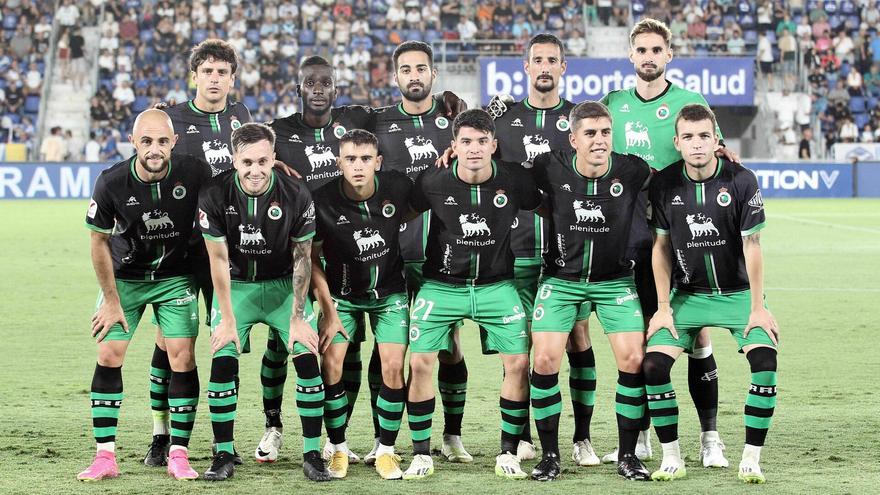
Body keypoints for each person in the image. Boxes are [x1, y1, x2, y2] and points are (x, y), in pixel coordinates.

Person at [600, 17, 739, 466]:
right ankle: (638, 438)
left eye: (656, 50)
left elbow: (711, 148)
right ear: (631, 55)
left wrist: (725, 153)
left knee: (696, 337)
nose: (648, 57)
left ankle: (710, 438)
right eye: (641, 50)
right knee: (643, 340)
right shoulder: (614, 103)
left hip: (681, 233)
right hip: (629, 237)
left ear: (668, 55)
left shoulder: (688, 101)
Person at [402, 109, 541, 480]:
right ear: (454, 147)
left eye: (482, 141)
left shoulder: (515, 181)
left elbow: (551, 205)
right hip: (441, 287)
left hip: (498, 287)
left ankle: (509, 452)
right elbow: (401, 214)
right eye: (466, 142)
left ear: (494, 145)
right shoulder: (433, 180)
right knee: (419, 364)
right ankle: (421, 454)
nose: (474, 149)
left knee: (517, 364)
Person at [645, 104, 779, 483]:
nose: (696, 144)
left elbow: (753, 245)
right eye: (688, 137)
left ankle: (751, 459)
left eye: (704, 136)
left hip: (738, 295)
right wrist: (663, 308)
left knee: (765, 364)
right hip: (688, 296)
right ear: (677, 142)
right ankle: (671, 456)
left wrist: (757, 308)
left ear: (716, 140)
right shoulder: (664, 183)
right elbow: (661, 249)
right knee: (653, 367)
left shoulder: (741, 179)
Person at [79, 109, 211, 481]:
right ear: (133, 141)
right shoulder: (111, 181)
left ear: (174, 142)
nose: (155, 149)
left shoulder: (195, 173)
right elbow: (98, 242)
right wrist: (111, 299)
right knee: (109, 351)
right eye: (147, 141)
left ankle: (179, 454)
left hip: (176, 277)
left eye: (162, 141)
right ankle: (105, 456)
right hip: (126, 279)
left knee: (182, 356)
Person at [527, 101, 652, 481]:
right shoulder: (550, 166)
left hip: (615, 282)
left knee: (632, 360)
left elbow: (680, 176)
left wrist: (724, 159)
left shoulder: (633, 169)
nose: (600, 141)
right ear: (574, 138)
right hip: (561, 281)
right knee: (545, 360)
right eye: (591, 134)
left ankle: (628, 456)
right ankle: (550, 455)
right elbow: (501, 174)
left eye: (605, 133)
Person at [198, 122, 329, 481]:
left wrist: (300, 316)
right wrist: (225, 318)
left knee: (306, 354)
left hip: (283, 286)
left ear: (274, 159)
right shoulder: (214, 192)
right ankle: (223, 453)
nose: (255, 170)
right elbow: (218, 260)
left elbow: (303, 258)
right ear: (233, 160)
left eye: (262, 161)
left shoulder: (296, 192)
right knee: (223, 357)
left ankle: (311, 454)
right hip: (236, 288)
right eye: (247, 163)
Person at [146, 39, 253, 469]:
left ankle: (223, 442)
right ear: (195, 75)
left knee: (227, 338)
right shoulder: (171, 117)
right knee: (172, 342)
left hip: (229, 245)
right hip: (182, 249)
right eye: (207, 71)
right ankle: (161, 434)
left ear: (232, 77)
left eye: (222, 72)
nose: (214, 79)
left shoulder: (241, 116)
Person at [372, 40, 472, 465]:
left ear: (434, 74)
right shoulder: (377, 122)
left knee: (448, 346)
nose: (414, 76)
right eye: (406, 70)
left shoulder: (455, 119)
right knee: (387, 350)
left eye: (421, 69)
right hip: (391, 254)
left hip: (441, 257)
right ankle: (383, 439)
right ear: (395, 77)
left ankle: (451, 434)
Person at [310, 129, 412, 479]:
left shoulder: (398, 188)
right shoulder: (321, 200)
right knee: (332, 363)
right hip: (341, 298)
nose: (358, 166)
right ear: (338, 163)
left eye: (365, 159)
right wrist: (327, 309)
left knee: (394, 366)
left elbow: (434, 192)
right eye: (350, 159)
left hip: (390, 294)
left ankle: (385, 449)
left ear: (378, 162)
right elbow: (311, 258)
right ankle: (337, 447)